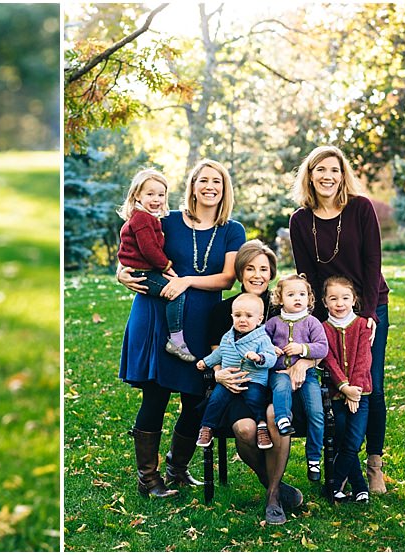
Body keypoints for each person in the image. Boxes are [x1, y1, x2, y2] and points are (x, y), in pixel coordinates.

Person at [117, 159, 244, 498]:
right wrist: (121, 271)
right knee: (155, 396)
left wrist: (187, 280)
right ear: (191, 186)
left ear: (224, 188)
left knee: (195, 399)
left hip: (202, 322)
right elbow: (133, 242)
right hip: (158, 317)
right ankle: (148, 478)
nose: (209, 187)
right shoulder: (167, 219)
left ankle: (177, 467)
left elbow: (228, 278)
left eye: (216, 181)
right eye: (202, 180)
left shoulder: (233, 229)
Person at [288, 144, 389, 494]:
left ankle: (373, 464)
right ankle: (340, 463)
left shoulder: (360, 209)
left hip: (368, 307)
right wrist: (318, 324)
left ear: (342, 175)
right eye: (320, 170)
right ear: (310, 175)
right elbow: (306, 275)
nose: (328, 177)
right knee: (335, 383)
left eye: (334, 170)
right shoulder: (300, 220)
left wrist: (370, 313)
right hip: (326, 314)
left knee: (369, 382)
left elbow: (372, 263)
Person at [204, 240, 305, 524]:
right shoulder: (224, 311)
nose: (257, 275)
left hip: (281, 385)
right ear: (239, 272)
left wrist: (305, 363)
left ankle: (272, 497)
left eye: (263, 268)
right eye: (250, 268)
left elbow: (313, 341)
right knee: (245, 429)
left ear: (272, 272)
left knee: (275, 416)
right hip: (241, 387)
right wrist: (218, 373)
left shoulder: (284, 308)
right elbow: (216, 356)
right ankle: (274, 483)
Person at [117, 168, 194, 361]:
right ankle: (176, 340)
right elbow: (149, 250)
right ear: (137, 195)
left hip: (143, 270)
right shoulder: (142, 218)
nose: (156, 199)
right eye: (150, 194)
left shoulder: (148, 217)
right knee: (175, 293)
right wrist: (167, 266)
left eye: (161, 194)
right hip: (142, 272)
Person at [263, 274, 328, 477]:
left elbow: (322, 348)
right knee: (281, 387)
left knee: (316, 412)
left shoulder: (312, 322)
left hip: (307, 375)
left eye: (302, 294)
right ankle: (283, 420)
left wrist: (302, 348)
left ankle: (314, 458)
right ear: (280, 298)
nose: (297, 298)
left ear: (309, 298)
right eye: (291, 294)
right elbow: (261, 342)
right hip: (279, 372)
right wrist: (270, 349)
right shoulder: (273, 323)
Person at [195, 294, 277, 449]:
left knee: (255, 398)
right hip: (229, 378)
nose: (242, 320)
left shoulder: (262, 338)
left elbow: (271, 358)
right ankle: (207, 427)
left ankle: (261, 425)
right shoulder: (228, 337)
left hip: (253, 379)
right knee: (216, 398)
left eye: (248, 316)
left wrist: (259, 358)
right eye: (238, 315)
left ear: (259, 319)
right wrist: (206, 362)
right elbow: (219, 354)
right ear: (232, 316)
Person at [321, 276, 373, 503]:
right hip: (336, 393)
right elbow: (328, 360)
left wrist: (355, 389)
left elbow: (363, 359)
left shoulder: (362, 325)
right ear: (325, 302)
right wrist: (344, 387)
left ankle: (332, 484)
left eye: (345, 298)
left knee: (353, 441)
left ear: (354, 299)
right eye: (333, 298)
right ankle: (360, 486)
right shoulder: (323, 328)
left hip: (362, 394)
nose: (339, 303)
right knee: (341, 438)